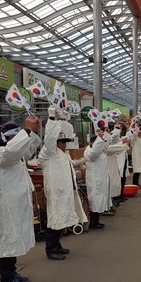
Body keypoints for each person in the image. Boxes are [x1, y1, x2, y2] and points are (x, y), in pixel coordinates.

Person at [0, 117, 42, 282]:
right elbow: (12, 152)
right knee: (8, 239)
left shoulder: (13, 154)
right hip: (7, 206)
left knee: (15, 237)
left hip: (16, 204)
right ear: (8, 139)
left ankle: (12, 272)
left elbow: (30, 148)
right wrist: (26, 131)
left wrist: (32, 132)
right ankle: (6, 279)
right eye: (16, 138)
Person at [38, 109, 87, 260]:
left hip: (65, 191)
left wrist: (63, 120)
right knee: (54, 220)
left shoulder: (62, 154)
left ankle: (57, 246)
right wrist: (52, 119)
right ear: (55, 143)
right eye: (62, 143)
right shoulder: (48, 152)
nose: (65, 146)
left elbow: (72, 163)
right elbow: (49, 139)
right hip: (56, 192)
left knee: (62, 219)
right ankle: (50, 249)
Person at [85, 129, 112, 230]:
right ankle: (93, 223)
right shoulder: (89, 151)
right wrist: (99, 139)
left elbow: (105, 146)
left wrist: (106, 135)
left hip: (100, 180)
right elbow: (94, 153)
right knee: (95, 202)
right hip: (95, 182)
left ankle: (97, 221)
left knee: (99, 202)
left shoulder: (99, 152)